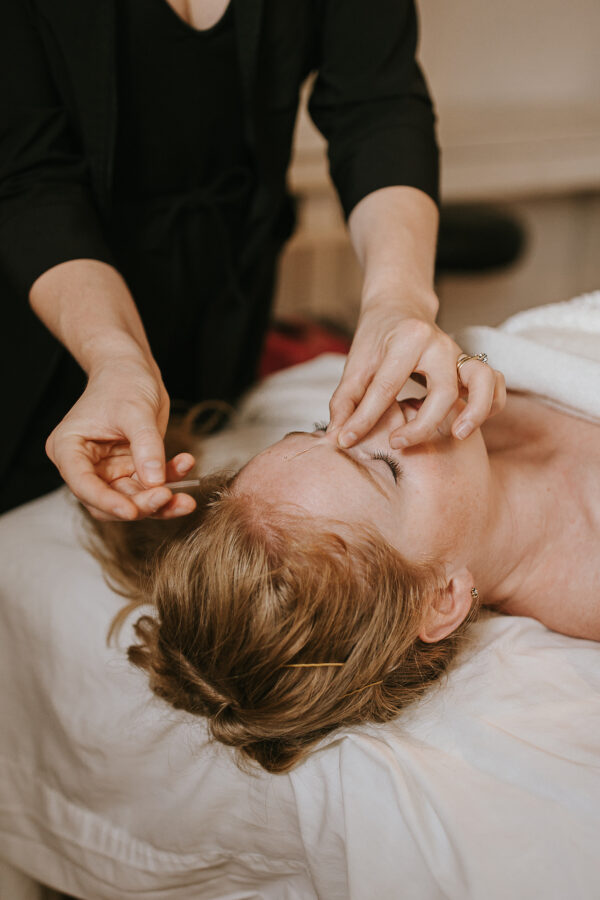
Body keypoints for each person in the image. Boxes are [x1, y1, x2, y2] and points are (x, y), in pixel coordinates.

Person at [0, 0, 505, 516]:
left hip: (223, 303)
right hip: (43, 311)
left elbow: (377, 104)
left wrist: (399, 300)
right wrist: (114, 356)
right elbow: (29, 178)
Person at [85, 307, 600, 775]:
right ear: (440, 599)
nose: (367, 419)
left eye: (319, 429)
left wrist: (468, 355)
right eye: (386, 468)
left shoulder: (464, 416)